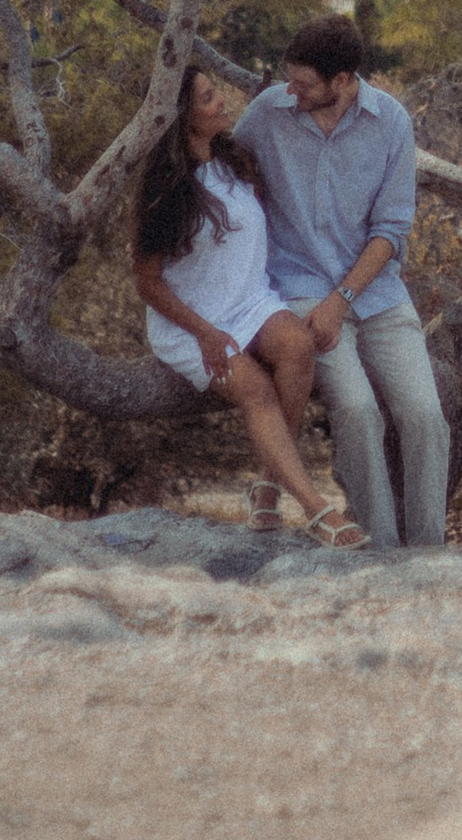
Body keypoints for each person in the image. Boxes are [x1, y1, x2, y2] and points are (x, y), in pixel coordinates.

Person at [236, 14, 452, 552]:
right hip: (300, 288)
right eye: (290, 80)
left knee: (426, 416)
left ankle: (429, 555)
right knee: (357, 411)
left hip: (376, 292)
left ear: (342, 80)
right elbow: (223, 172)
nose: (292, 92)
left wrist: (342, 301)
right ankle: (378, 551)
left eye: (305, 84)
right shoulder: (267, 114)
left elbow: (391, 230)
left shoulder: (391, 121)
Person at [131, 70, 362, 543]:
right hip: (192, 323)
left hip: (250, 302)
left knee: (297, 346)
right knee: (256, 390)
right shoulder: (164, 189)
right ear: (182, 116)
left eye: (216, 91)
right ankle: (316, 509)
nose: (221, 101)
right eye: (208, 98)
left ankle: (267, 487)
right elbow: (147, 283)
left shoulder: (234, 161)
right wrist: (205, 333)